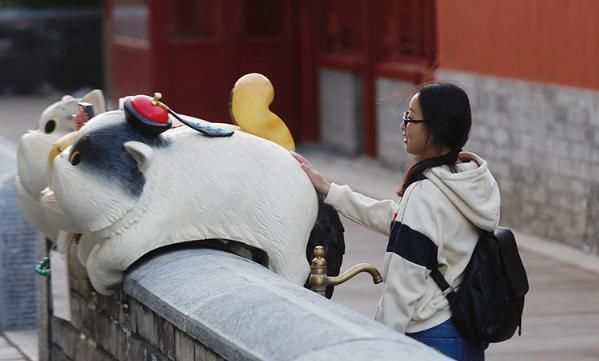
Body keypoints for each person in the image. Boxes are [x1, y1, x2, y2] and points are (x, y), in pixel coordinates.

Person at [292, 83, 500, 360]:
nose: (404, 125)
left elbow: (404, 285)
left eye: (411, 117)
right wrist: (331, 191)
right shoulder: (471, 182)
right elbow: (399, 219)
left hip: (429, 336)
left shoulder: (425, 193)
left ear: (434, 128)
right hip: (466, 331)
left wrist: (379, 344)